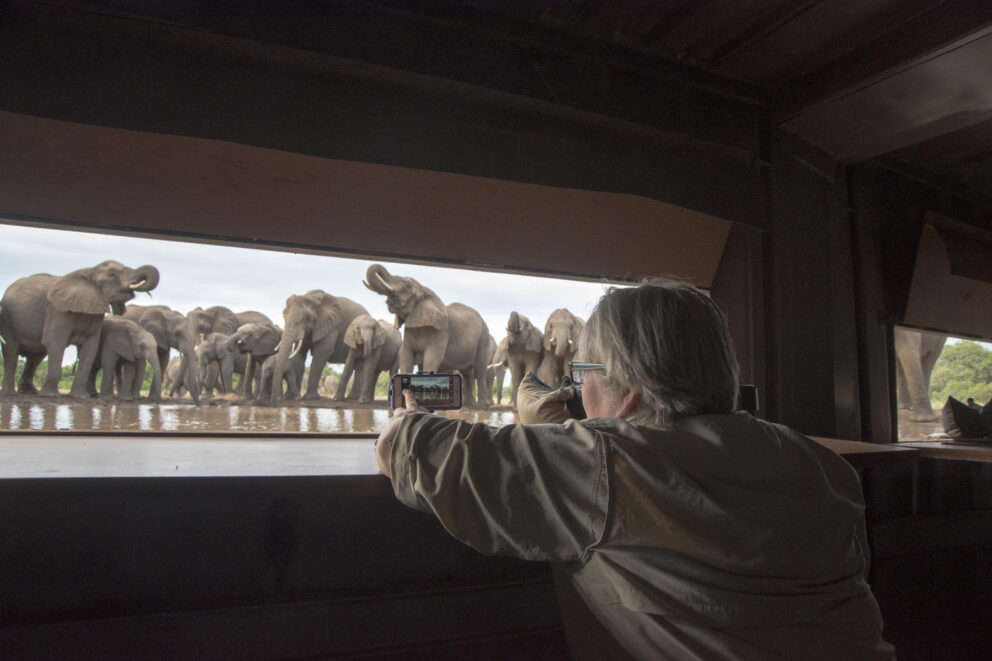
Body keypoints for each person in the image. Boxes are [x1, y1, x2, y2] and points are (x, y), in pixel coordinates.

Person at [375, 278, 895, 660]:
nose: (578, 388)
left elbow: (408, 446)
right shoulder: (820, 463)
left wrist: (405, 414)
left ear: (628, 388)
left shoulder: (604, 460)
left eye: (584, 373)